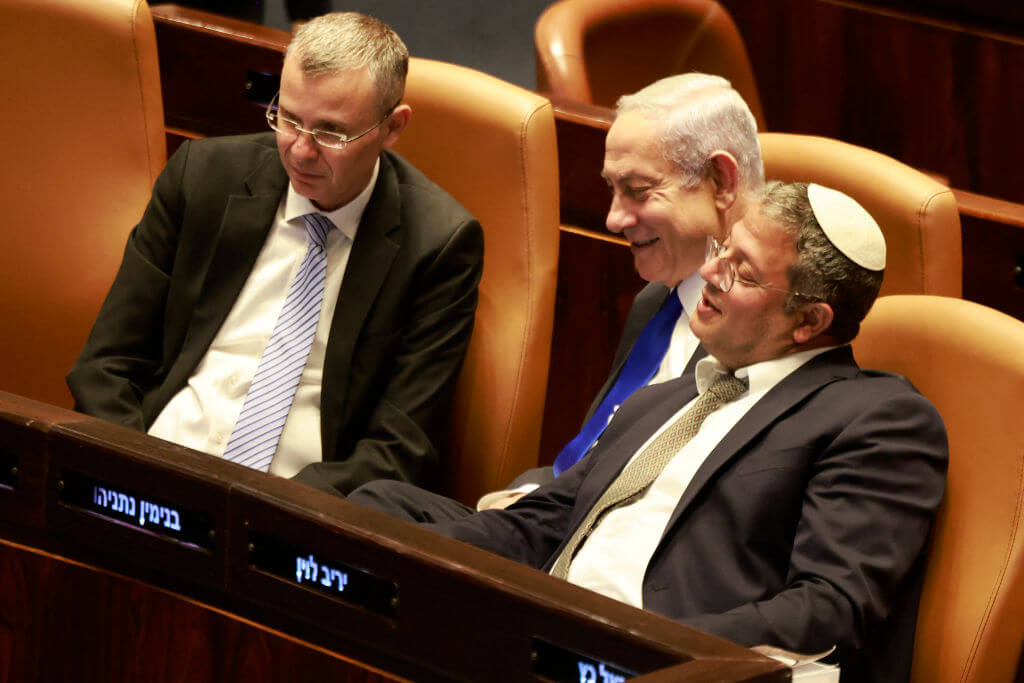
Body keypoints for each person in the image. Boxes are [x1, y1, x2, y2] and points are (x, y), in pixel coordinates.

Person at [424, 182, 948, 681]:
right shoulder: (673, 394)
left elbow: (827, 606)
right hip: (549, 637)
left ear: (808, 321)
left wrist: (649, 645)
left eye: (743, 272)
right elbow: (551, 516)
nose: (710, 271)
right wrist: (413, 552)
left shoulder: (877, 418)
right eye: (723, 248)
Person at [67, 13, 484, 496]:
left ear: (392, 127)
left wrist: (275, 513)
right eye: (288, 119)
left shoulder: (438, 245)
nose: (301, 152)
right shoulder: (203, 176)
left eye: (331, 133)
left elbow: (398, 449)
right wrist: (137, 476)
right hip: (154, 464)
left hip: (296, 506)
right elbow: (106, 365)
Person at [348, 72, 765, 519]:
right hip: (548, 518)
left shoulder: (758, 334)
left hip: (601, 556)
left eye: (638, 191)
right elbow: (591, 450)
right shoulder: (657, 302)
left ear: (721, 181)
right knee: (370, 504)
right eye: (611, 189)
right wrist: (526, 495)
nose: (613, 218)